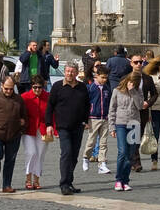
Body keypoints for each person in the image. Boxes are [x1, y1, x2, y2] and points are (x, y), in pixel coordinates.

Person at [45, 62, 90, 195]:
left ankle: (69, 182)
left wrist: (85, 121)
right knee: (66, 153)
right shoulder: (57, 86)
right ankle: (64, 183)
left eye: (72, 71)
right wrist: (49, 124)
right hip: (63, 126)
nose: (70, 73)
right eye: (67, 71)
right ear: (64, 72)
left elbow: (87, 105)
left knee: (74, 156)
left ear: (76, 73)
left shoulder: (82, 87)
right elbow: (50, 107)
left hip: (78, 126)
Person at [109, 70, 143, 191]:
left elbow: (140, 106)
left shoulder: (138, 91)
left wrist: (133, 91)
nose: (133, 84)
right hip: (121, 123)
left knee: (131, 154)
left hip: (134, 124)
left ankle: (126, 180)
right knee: (122, 152)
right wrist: (111, 127)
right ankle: (119, 179)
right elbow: (112, 109)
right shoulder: (117, 91)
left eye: (136, 83)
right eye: (132, 82)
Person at [82, 64, 112, 175]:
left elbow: (109, 103)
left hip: (104, 117)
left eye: (106, 78)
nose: (104, 80)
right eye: (102, 77)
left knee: (103, 142)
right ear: (97, 76)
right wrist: (85, 120)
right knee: (92, 140)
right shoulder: (90, 88)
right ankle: (86, 157)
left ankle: (102, 163)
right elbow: (85, 104)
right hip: (93, 117)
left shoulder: (107, 89)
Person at [21, 75, 49, 189]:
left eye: (39, 87)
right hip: (29, 129)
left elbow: (52, 113)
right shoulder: (24, 97)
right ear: (31, 87)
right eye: (35, 87)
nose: (37, 90)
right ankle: (28, 177)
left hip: (43, 129)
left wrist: (53, 128)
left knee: (40, 154)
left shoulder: (48, 97)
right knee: (31, 152)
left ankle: (36, 179)